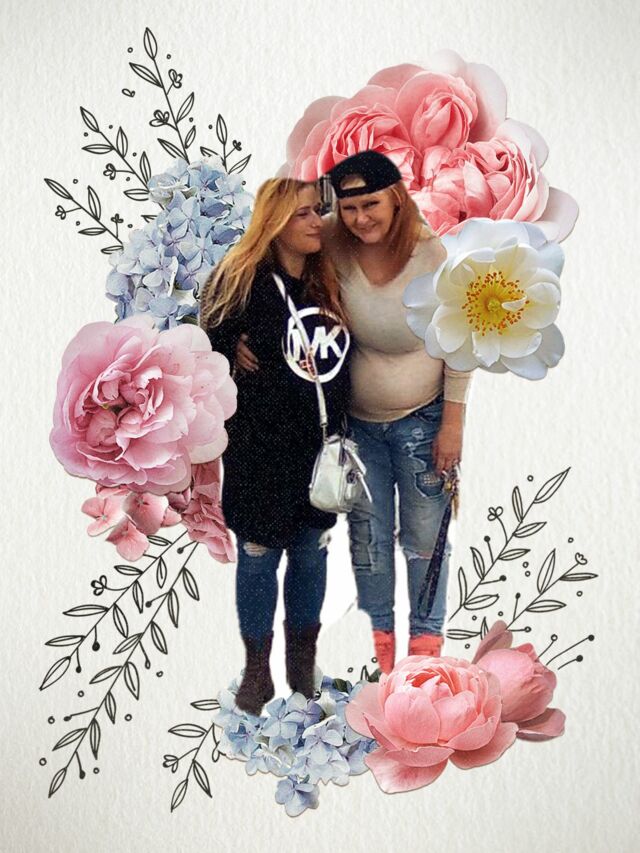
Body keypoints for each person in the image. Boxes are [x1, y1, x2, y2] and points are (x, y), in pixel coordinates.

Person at [237, 151, 471, 675]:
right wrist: (231, 340)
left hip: (421, 420)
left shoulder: (432, 254)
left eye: (371, 205)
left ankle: (425, 655)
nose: (360, 218)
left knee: (424, 541)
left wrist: (453, 422)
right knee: (368, 543)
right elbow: (265, 252)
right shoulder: (330, 241)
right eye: (348, 208)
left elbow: (461, 338)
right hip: (354, 428)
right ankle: (387, 659)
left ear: (396, 198)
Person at [199, 178, 351, 715]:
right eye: (303, 213)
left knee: (311, 554)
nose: (316, 222)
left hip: (316, 450)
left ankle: (301, 663)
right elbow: (202, 351)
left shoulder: (328, 279)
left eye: (318, 211)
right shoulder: (238, 280)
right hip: (259, 452)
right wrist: (227, 346)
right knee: (259, 557)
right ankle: (257, 671)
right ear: (275, 221)